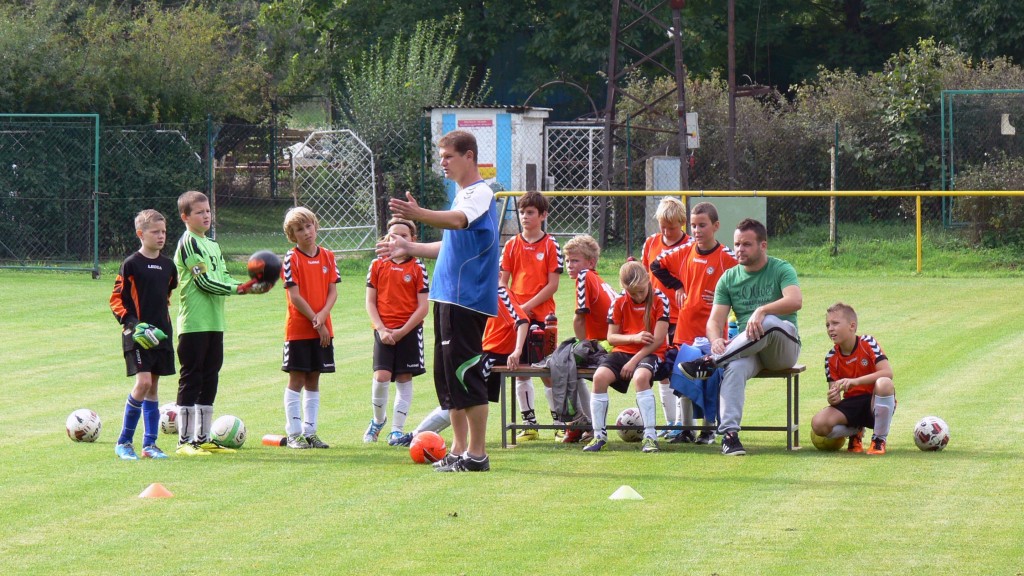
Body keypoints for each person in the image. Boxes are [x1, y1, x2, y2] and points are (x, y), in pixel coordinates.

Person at [377, 129, 500, 472]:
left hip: (466, 299)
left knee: (465, 374)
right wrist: (409, 247)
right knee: (448, 381)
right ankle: (459, 451)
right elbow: (451, 246)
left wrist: (418, 214)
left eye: (448, 156)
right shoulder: (462, 196)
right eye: (440, 157)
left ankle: (477, 455)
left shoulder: (480, 193)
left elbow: (458, 222)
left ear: (469, 156)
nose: (442, 163)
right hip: (448, 297)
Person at [677, 218, 802, 456]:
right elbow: (714, 322)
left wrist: (761, 310)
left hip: (782, 349)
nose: (739, 250)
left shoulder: (781, 268)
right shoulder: (728, 278)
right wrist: (715, 339)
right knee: (733, 369)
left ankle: (711, 362)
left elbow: (796, 300)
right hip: (748, 349)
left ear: (763, 245)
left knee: (767, 322)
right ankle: (730, 436)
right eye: (736, 244)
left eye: (746, 244)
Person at [173, 190, 271, 456]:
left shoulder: (213, 245)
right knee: (191, 378)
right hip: (194, 323)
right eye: (199, 212)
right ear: (185, 217)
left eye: (208, 211)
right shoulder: (189, 244)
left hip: (215, 322)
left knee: (210, 376)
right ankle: (184, 441)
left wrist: (248, 286)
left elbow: (224, 276)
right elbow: (204, 282)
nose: (206, 216)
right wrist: (239, 289)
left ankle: (203, 439)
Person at [389, 285, 529, 453]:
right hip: (482, 351)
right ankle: (421, 436)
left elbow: (522, 320)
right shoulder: (479, 292)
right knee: (457, 396)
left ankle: (416, 436)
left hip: (491, 356)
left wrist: (517, 351)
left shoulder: (499, 291)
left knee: (461, 397)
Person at [651, 201, 738, 445]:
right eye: (693, 226)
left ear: (716, 226)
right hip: (686, 329)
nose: (697, 230)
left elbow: (745, 278)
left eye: (702, 225)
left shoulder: (726, 257)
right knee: (683, 377)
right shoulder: (685, 251)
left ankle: (708, 430)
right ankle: (686, 429)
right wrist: (678, 286)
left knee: (710, 378)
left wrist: (724, 296)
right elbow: (656, 265)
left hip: (712, 332)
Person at [109, 209, 179, 460]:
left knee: (153, 387)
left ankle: (150, 445)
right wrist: (133, 324)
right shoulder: (131, 264)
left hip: (160, 335)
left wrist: (160, 328)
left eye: (164, 232)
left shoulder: (168, 266)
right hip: (136, 334)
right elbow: (116, 300)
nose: (161, 236)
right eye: (155, 232)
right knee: (144, 383)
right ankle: (124, 442)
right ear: (141, 234)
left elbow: (166, 297)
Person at [583, 261, 671, 454]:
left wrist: (634, 361)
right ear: (624, 288)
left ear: (648, 281)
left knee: (641, 377)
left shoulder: (660, 299)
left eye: (641, 291)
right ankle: (599, 436)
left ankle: (650, 437)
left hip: (652, 352)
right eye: (633, 293)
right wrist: (634, 338)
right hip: (623, 351)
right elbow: (611, 337)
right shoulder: (619, 301)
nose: (638, 296)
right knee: (599, 378)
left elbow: (658, 340)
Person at [499, 191, 563, 440]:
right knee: (521, 369)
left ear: (543, 215)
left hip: (544, 318)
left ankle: (559, 423)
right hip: (518, 318)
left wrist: (527, 305)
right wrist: (516, 308)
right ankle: (530, 423)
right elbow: (503, 282)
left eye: (530, 212)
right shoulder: (511, 245)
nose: (525, 217)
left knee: (547, 371)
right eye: (522, 212)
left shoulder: (550, 245)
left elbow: (552, 285)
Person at [279, 206, 340, 449]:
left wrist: (323, 317)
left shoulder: (328, 256)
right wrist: (316, 321)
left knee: (314, 378)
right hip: (299, 330)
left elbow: (333, 291)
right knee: (297, 379)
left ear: (315, 226)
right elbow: (294, 296)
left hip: (323, 329)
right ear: (292, 235)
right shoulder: (291, 258)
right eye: (299, 229)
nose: (306, 232)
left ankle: (310, 432)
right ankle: (294, 434)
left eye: (308, 226)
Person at [365, 217, 429, 446]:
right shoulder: (377, 265)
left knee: (404, 377)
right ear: (386, 239)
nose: (398, 239)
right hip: (383, 331)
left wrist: (402, 331)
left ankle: (396, 430)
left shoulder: (418, 267)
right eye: (394, 235)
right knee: (381, 376)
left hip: (409, 331)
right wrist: (382, 329)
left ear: (413, 240)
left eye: (404, 235)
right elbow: (370, 302)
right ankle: (377, 421)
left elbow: (423, 307)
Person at [810, 303, 896, 455]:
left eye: (835, 323)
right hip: (851, 404)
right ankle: (855, 431)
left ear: (852, 326)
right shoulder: (831, 357)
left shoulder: (868, 342)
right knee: (818, 424)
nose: (830, 328)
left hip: (874, 401)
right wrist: (833, 397)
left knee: (885, 383)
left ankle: (878, 440)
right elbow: (834, 396)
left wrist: (855, 381)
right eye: (827, 325)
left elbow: (887, 372)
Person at [641, 197, 690, 440]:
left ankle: (682, 423)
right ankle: (670, 422)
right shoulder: (651, 242)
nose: (667, 232)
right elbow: (644, 276)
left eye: (671, 227)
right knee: (660, 369)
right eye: (663, 226)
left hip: (681, 317)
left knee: (678, 369)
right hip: (655, 316)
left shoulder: (690, 246)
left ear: (682, 223)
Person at [561, 234, 617, 443]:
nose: (570, 265)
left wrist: (583, 346)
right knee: (566, 362)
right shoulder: (598, 279)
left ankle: (580, 422)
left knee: (558, 363)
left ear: (590, 262)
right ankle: (583, 422)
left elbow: (579, 318)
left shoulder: (584, 276)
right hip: (612, 342)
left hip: (607, 345)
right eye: (567, 260)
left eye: (575, 260)